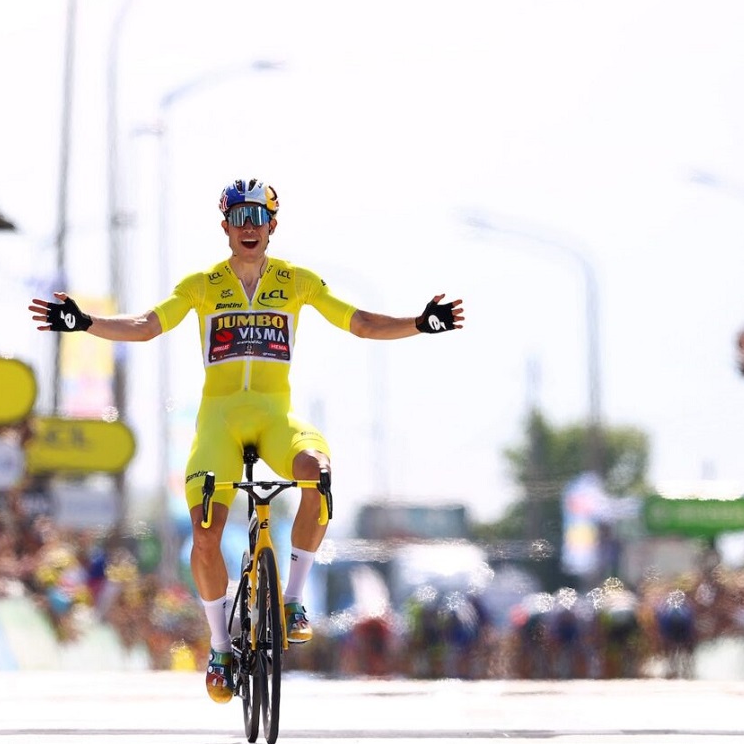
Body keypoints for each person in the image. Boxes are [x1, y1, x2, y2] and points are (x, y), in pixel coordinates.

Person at [28, 177, 463, 702]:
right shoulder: (203, 285)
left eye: (259, 216)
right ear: (225, 226)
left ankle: (292, 601)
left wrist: (420, 323)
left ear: (273, 226)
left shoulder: (297, 281)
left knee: (317, 472)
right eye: (240, 216)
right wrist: (84, 321)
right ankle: (218, 648)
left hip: (275, 419)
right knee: (206, 535)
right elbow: (146, 326)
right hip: (220, 423)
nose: (249, 225)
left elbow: (363, 324)